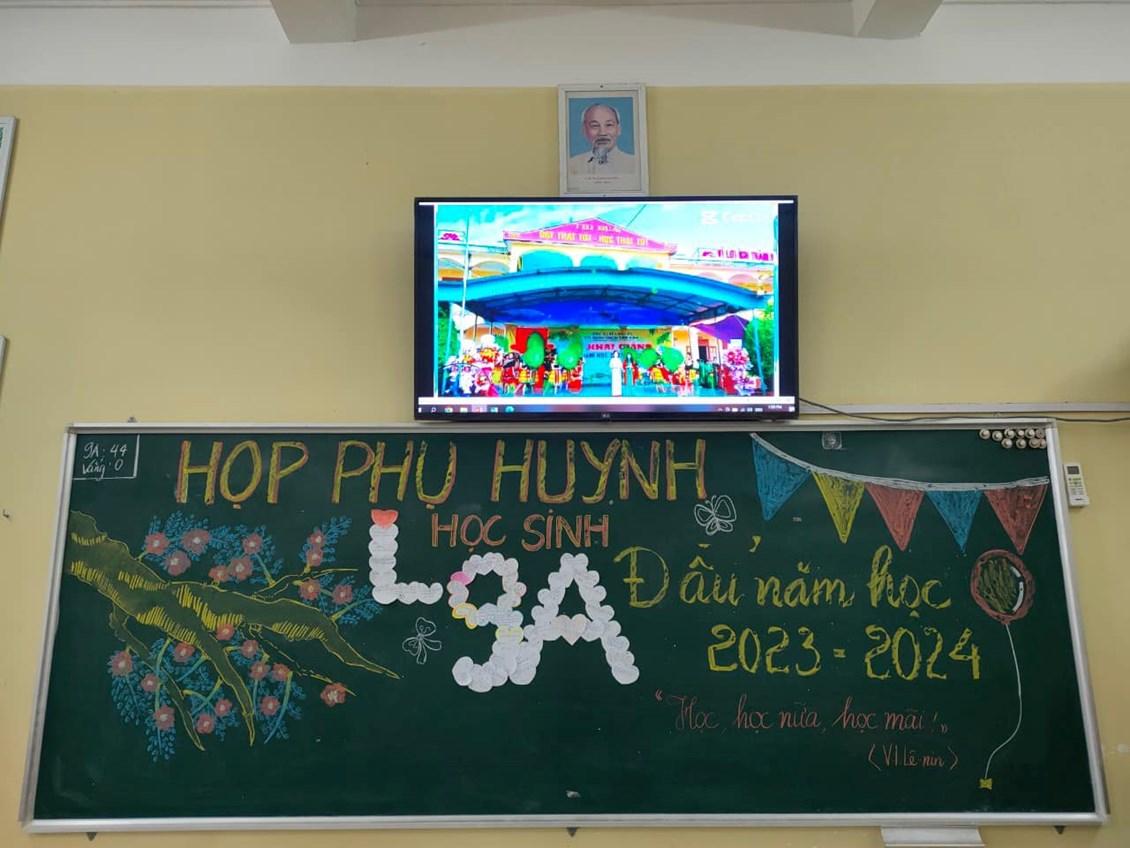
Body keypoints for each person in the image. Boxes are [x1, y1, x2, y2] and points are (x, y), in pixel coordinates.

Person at [568, 103, 637, 177]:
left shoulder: (634, 164)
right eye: (595, 126)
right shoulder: (572, 165)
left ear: (619, 129)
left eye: (609, 125)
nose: (602, 133)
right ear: (584, 130)